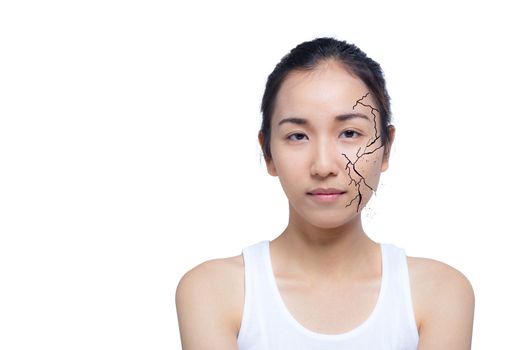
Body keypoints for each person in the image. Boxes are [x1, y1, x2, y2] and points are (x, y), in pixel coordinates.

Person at [176, 37, 475, 349]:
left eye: (349, 133)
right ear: (268, 154)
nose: (323, 165)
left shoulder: (439, 292)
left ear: (386, 149)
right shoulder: (213, 290)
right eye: (297, 135)